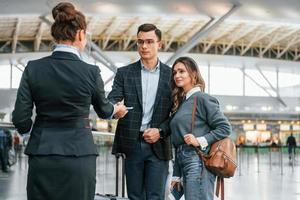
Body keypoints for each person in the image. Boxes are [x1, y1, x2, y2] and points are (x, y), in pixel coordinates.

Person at [12, 2, 127, 200]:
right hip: (79, 155)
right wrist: (116, 109)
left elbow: (21, 119)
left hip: (42, 154)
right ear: (80, 34)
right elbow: (103, 110)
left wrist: (34, 130)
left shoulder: (33, 68)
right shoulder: (91, 71)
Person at [108, 23, 172, 200]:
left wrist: (160, 131)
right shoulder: (124, 73)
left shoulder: (171, 75)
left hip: (158, 144)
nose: (144, 46)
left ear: (160, 44)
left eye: (150, 41)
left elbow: (176, 114)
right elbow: (113, 98)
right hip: (132, 143)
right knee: (135, 195)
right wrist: (115, 109)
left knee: (156, 196)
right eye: (140, 41)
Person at [169, 57, 232, 200]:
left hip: (198, 162)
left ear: (194, 74)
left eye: (181, 71)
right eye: (174, 73)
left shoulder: (202, 98)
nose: (177, 75)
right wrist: (177, 175)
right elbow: (179, 142)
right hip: (182, 160)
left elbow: (225, 127)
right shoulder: (182, 103)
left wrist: (199, 140)